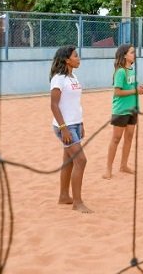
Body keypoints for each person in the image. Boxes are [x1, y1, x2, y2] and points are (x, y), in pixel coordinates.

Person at [49, 46, 92, 213]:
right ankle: (77, 202)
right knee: (81, 160)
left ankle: (64, 196)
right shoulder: (58, 79)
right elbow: (54, 105)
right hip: (64, 126)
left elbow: (75, 104)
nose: (78, 58)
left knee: (68, 161)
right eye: (76, 56)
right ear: (67, 60)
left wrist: (81, 123)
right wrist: (63, 128)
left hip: (75, 124)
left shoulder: (73, 77)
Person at [103, 44, 143, 180]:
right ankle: (108, 169)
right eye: (132, 52)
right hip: (121, 110)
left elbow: (132, 87)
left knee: (129, 137)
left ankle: (123, 165)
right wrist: (135, 91)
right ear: (124, 55)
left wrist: (140, 89)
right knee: (116, 139)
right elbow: (117, 92)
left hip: (133, 109)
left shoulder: (132, 70)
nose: (134, 54)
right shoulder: (121, 72)